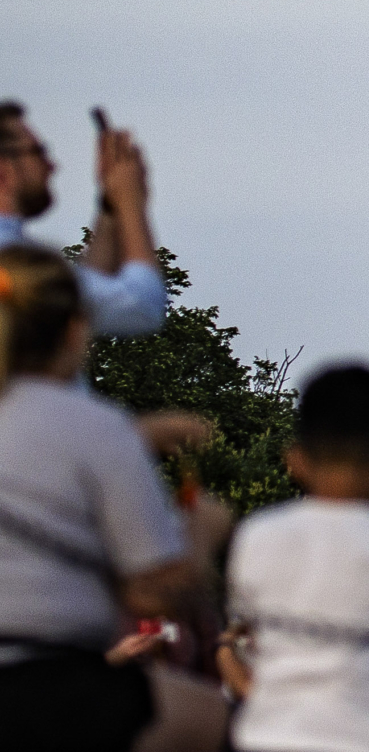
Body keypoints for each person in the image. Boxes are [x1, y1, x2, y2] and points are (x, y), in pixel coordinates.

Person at [0, 244, 204, 752]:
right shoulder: (95, 427)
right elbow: (151, 593)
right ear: (76, 330)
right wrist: (205, 532)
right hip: (49, 681)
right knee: (211, 720)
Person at [223, 364, 369, 752]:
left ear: (294, 459)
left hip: (266, 735)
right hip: (366, 738)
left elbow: (243, 633)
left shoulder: (257, 533)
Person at [0, 102, 165, 339]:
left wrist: (110, 208)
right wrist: (131, 203)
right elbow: (141, 307)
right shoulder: (15, 262)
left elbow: (79, 298)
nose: (52, 166)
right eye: (38, 152)